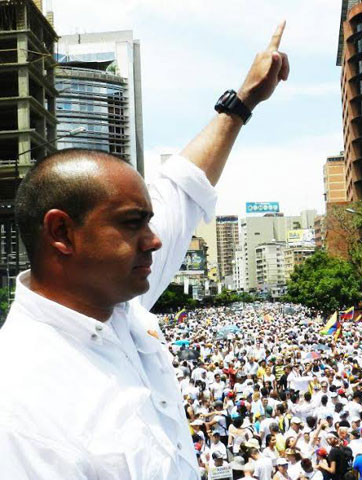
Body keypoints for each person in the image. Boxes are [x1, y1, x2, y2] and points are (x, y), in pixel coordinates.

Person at [0, 22, 290, 479]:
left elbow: (183, 185)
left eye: (150, 222)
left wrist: (244, 101)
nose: (154, 240)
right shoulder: (19, 404)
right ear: (62, 233)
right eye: (133, 223)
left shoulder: (118, 305)